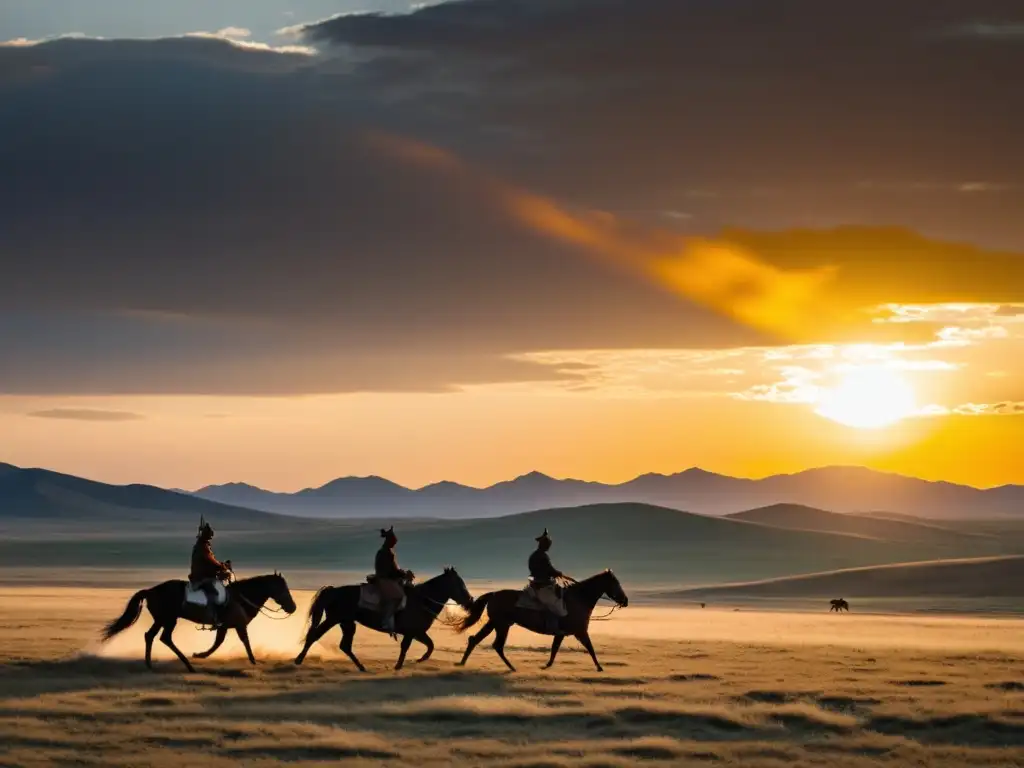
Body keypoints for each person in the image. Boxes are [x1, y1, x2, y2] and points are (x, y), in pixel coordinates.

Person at [189, 518, 232, 624]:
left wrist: (221, 565)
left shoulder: (203, 546)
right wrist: (223, 566)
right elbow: (210, 561)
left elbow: (211, 561)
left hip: (203, 575)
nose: (210, 538)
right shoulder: (202, 547)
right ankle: (214, 616)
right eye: (209, 536)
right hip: (202, 577)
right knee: (218, 593)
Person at [374, 526, 411, 637]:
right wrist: (404, 574)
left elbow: (394, 569)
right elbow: (391, 570)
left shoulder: (387, 551)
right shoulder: (386, 552)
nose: (394, 544)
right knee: (398, 596)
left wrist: (403, 573)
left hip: (387, 578)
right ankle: (386, 621)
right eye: (394, 542)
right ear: (389, 541)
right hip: (384, 579)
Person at [528, 528, 569, 620]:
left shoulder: (536, 555)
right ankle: (553, 625)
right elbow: (548, 569)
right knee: (555, 606)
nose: (549, 546)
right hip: (542, 585)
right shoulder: (541, 556)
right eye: (548, 544)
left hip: (540, 583)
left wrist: (555, 573)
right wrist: (557, 573)